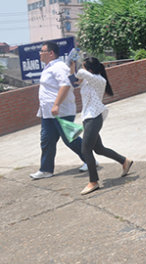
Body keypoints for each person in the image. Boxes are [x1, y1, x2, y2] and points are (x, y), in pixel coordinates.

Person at [69, 57, 133, 195]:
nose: (83, 69)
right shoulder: (87, 81)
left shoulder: (98, 80)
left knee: (85, 149)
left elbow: (81, 74)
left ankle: (93, 181)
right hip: (87, 118)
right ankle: (124, 161)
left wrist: (77, 68)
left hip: (94, 117)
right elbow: (74, 82)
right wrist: (71, 67)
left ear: (90, 69)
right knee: (99, 149)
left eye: (85, 67)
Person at [30, 41, 86, 179]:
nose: (40, 54)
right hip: (47, 113)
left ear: (51, 53)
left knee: (70, 139)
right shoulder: (48, 68)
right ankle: (46, 170)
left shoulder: (59, 66)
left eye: (42, 51)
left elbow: (66, 84)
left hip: (61, 111)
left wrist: (56, 105)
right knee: (47, 140)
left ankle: (89, 160)